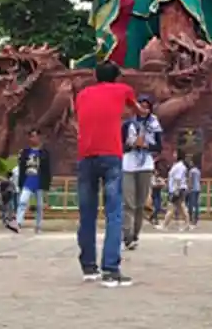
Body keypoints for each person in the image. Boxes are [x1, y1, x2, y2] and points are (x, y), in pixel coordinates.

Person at [74, 61, 137, 287]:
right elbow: (136, 110)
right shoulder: (123, 90)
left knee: (87, 213)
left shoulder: (82, 94)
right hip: (111, 155)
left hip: (86, 154)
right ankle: (111, 268)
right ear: (117, 77)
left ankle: (89, 267)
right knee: (114, 213)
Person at [122, 95, 161, 250]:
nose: (143, 109)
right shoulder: (127, 125)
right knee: (128, 202)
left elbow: (159, 146)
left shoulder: (154, 124)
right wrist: (131, 144)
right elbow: (119, 145)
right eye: (141, 106)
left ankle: (135, 234)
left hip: (145, 165)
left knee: (140, 203)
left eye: (147, 106)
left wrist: (145, 145)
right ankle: (127, 236)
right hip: (128, 165)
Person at [15, 128, 52, 233]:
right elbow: (21, 167)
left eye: (35, 136)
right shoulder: (25, 152)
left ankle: (38, 226)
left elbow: (47, 169)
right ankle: (18, 223)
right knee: (22, 201)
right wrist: (20, 182)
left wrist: (47, 184)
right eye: (31, 136)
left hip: (39, 182)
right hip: (28, 181)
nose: (33, 138)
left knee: (39, 206)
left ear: (39, 137)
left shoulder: (44, 153)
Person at [162, 150, 189, 231]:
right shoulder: (176, 165)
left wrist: (176, 190)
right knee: (182, 207)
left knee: (171, 207)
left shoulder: (180, 166)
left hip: (177, 189)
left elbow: (178, 178)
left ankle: (164, 225)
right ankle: (187, 224)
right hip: (176, 188)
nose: (173, 155)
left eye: (175, 153)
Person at [186, 156, 202, 228]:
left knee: (191, 204)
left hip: (193, 189)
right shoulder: (198, 171)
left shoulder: (191, 171)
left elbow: (190, 181)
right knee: (197, 205)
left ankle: (190, 218)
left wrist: (189, 189)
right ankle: (196, 219)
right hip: (198, 188)